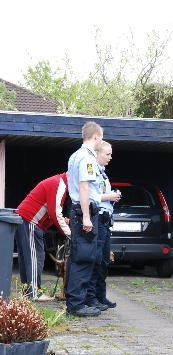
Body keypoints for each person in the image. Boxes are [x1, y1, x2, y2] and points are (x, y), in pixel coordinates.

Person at [65, 121, 105, 317]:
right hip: (84, 211)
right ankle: (77, 304)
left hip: (79, 210)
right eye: (101, 137)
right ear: (96, 137)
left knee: (79, 255)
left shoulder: (75, 156)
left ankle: (76, 301)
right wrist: (87, 217)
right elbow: (84, 187)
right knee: (84, 258)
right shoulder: (87, 158)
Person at [14, 173, 72, 301]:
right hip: (30, 221)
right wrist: (69, 233)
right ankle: (34, 293)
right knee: (35, 258)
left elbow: (51, 210)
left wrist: (63, 220)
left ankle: (28, 292)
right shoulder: (59, 184)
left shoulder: (58, 182)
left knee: (27, 258)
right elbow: (54, 212)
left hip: (25, 220)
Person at [85, 141, 120, 311]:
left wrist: (112, 196)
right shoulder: (91, 170)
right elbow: (92, 195)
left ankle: (100, 295)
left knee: (104, 260)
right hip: (97, 218)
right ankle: (91, 298)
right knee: (96, 259)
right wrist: (110, 196)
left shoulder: (103, 173)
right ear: (97, 153)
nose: (110, 157)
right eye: (107, 154)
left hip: (106, 220)